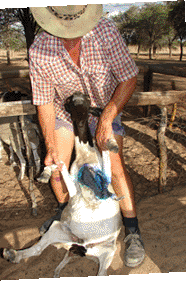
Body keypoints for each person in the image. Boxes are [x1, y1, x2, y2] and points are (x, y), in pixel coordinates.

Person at [29, 5, 145, 268]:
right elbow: (44, 102)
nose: (71, 34)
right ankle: (65, 213)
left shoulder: (105, 30)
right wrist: (50, 146)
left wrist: (107, 117)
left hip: (105, 107)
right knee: (57, 166)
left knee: (115, 165)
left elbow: (128, 78)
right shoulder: (39, 49)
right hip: (64, 112)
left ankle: (132, 232)